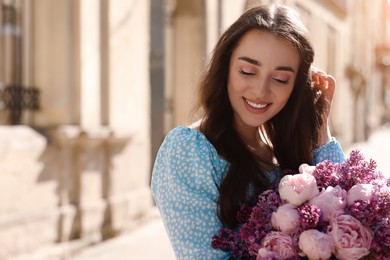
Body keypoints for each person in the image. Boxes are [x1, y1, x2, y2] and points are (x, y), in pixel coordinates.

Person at [151, 4, 345, 259]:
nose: (260, 91)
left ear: (296, 87)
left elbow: (345, 215)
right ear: (226, 65)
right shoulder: (189, 150)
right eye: (248, 71)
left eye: (281, 79)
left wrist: (320, 129)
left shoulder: (283, 152)